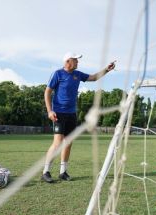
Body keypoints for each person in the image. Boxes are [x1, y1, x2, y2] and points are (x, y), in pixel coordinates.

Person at [41, 52, 116, 183]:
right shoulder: (57, 74)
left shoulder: (78, 74)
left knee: (68, 142)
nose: (78, 62)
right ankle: (45, 172)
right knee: (58, 142)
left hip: (72, 114)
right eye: (75, 60)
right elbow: (47, 92)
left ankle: (63, 172)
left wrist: (106, 70)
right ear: (68, 61)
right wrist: (49, 111)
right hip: (59, 113)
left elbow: (93, 78)